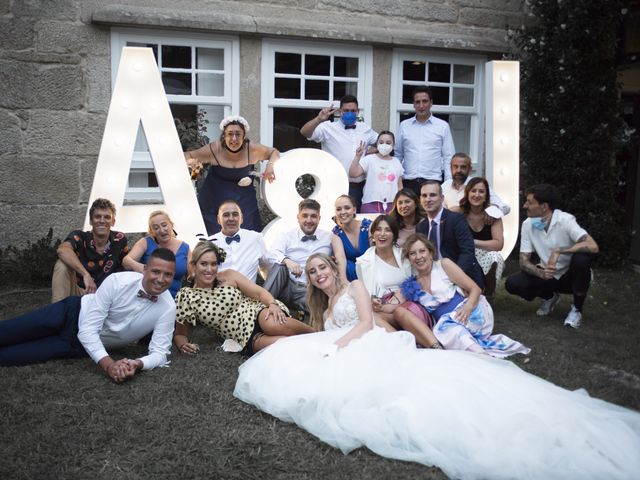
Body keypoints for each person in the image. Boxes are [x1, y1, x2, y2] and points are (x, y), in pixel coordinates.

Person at [233, 254, 640, 480]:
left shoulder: (355, 285)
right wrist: (307, 335)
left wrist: (334, 347)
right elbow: (320, 331)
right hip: (344, 343)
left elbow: (360, 324)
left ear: (333, 269)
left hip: (369, 342)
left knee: (395, 393)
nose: (319, 275)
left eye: (323, 269)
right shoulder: (317, 303)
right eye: (314, 272)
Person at [1, 249, 177, 383]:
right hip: (69, 313)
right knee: (9, 331)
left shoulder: (168, 307)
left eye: (168, 274)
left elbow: (160, 353)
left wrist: (137, 363)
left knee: (13, 356)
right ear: (145, 270)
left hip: (78, 346)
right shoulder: (117, 282)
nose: (161, 279)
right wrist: (109, 365)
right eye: (156, 271)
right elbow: (88, 329)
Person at [174, 241, 314, 355]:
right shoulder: (187, 296)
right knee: (285, 344)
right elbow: (180, 333)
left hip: (256, 312)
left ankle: (318, 333)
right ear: (193, 265)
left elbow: (258, 292)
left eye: (213, 264)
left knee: (273, 325)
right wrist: (183, 345)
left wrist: (272, 304)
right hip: (241, 335)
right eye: (204, 264)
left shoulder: (228, 275)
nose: (209, 269)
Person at [398, 233, 527, 355]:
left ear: (430, 253)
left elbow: (475, 289)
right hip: (447, 326)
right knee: (451, 331)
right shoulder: (413, 284)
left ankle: (482, 358)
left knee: (453, 332)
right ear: (409, 259)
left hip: (469, 313)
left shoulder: (444, 265)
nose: (418, 256)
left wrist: (468, 307)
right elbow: (394, 305)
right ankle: (478, 354)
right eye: (412, 253)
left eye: (422, 251)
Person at [505, 184, 599, 328]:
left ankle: (577, 310)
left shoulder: (565, 220)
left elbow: (593, 246)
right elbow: (524, 262)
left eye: (529, 202)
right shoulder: (528, 224)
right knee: (512, 284)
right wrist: (541, 273)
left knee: (582, 259)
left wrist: (559, 250)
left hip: (570, 276)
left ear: (544, 207)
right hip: (548, 275)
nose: (525, 206)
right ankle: (549, 296)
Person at [185, 115, 279, 234]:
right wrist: (193, 165)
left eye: (238, 134)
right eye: (230, 134)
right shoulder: (214, 149)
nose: (234, 138)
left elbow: (274, 152)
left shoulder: (253, 149)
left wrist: (270, 166)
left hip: (244, 200)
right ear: (224, 136)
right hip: (215, 199)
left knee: (248, 233)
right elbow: (188, 155)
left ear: (244, 136)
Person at [300, 95, 378, 210]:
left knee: (357, 220)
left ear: (358, 112)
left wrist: (373, 151)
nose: (349, 113)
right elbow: (305, 132)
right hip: (335, 185)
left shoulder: (365, 129)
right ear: (340, 112)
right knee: (335, 220)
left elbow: (384, 142)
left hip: (359, 187)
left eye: (353, 111)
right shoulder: (328, 128)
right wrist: (319, 119)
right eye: (346, 110)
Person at [263, 198, 332, 319]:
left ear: (319, 218)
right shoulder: (286, 236)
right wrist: (287, 260)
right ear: (298, 217)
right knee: (279, 266)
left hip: (309, 290)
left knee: (320, 313)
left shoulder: (329, 238)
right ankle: (260, 307)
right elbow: (270, 254)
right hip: (285, 286)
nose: (309, 220)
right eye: (305, 216)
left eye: (313, 216)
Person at [51, 198, 128, 303]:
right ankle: (58, 313)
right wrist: (85, 274)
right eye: (97, 217)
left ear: (113, 222)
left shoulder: (119, 239)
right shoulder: (80, 237)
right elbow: (62, 250)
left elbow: (126, 265)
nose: (102, 221)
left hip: (107, 298)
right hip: (80, 293)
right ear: (91, 221)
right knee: (62, 265)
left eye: (107, 217)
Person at [416, 180, 484, 289]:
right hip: (433, 278)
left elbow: (467, 251)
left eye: (432, 195)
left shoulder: (455, 219)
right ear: (420, 199)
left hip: (461, 276)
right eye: (424, 196)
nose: (428, 199)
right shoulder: (421, 227)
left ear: (442, 198)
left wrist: (452, 277)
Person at [394, 86, 455, 196]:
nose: (421, 105)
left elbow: (448, 156)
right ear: (413, 104)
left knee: (430, 213)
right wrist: (397, 180)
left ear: (431, 103)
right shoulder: (404, 126)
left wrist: (448, 182)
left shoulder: (442, 126)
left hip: (432, 182)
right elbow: (398, 155)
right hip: (408, 183)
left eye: (425, 101)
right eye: (417, 102)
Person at [452, 177, 505, 297]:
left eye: (481, 191)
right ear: (467, 193)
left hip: (485, 255)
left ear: (486, 196)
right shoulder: (457, 212)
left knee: (495, 257)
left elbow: (498, 244)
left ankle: (489, 293)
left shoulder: (493, 214)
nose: (477, 195)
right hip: (464, 253)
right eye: (473, 191)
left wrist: (472, 241)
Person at [355, 215, 411, 324]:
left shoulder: (405, 256)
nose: (382, 234)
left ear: (394, 235)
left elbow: (416, 282)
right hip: (383, 311)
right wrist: (372, 301)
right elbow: (366, 294)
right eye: (378, 230)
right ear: (372, 235)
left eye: (388, 230)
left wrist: (396, 302)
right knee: (372, 319)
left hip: (409, 305)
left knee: (398, 313)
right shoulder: (362, 263)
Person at [122, 210, 190, 297]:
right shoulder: (145, 242)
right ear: (152, 231)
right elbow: (126, 261)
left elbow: (193, 274)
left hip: (173, 300)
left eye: (164, 225)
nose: (162, 230)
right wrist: (143, 269)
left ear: (171, 225)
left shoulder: (185, 248)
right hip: (146, 296)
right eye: (156, 228)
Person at [209, 200, 266, 282]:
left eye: (235, 214)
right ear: (218, 219)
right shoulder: (210, 243)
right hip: (220, 293)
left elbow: (267, 267)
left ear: (241, 218)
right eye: (226, 215)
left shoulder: (256, 238)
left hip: (248, 293)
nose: (231, 218)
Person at [349, 131, 404, 214]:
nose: (384, 145)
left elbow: (400, 187)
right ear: (377, 144)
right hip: (370, 204)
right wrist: (358, 156)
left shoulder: (397, 162)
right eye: (381, 142)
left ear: (393, 146)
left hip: (392, 205)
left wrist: (400, 204)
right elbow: (353, 173)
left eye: (388, 143)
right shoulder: (369, 159)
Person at [441, 153, 510, 215]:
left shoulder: (478, 185)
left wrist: (492, 212)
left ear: (470, 169)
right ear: (450, 168)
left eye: (463, 167)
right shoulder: (445, 186)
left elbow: (505, 207)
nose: (459, 170)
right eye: (455, 167)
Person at [330, 195, 372, 282]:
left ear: (354, 209)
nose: (343, 212)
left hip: (372, 272)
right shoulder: (336, 234)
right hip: (351, 278)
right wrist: (344, 282)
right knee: (345, 265)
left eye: (347, 208)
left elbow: (377, 256)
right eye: (338, 209)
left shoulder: (369, 227)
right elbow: (340, 258)